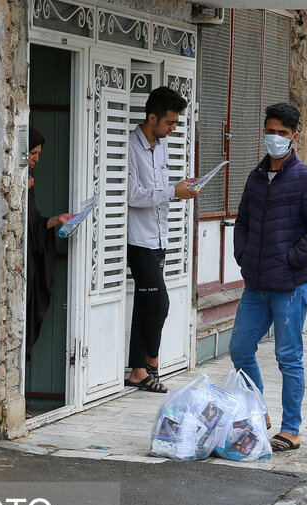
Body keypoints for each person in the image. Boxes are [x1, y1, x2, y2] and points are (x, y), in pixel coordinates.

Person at [229, 102, 307, 453]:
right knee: (240, 348)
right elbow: (243, 221)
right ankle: (259, 412)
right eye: (270, 131)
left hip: (291, 285)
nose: (274, 138)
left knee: (289, 357)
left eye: (282, 133)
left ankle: (291, 429)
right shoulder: (255, 176)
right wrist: (243, 256)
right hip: (256, 284)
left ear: (295, 137)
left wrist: (290, 260)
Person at [125, 86, 198, 393]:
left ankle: (140, 370)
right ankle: (147, 366)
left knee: (146, 302)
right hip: (138, 238)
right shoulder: (129, 145)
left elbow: (160, 188)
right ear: (152, 117)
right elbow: (131, 194)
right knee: (159, 302)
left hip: (160, 236)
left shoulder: (162, 145)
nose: (173, 128)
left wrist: (181, 188)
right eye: (169, 122)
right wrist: (172, 192)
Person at [26, 128, 75, 361]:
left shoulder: (29, 184)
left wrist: (57, 220)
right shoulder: (23, 183)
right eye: (32, 153)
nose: (36, 159)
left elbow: (33, 223)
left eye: (38, 153)